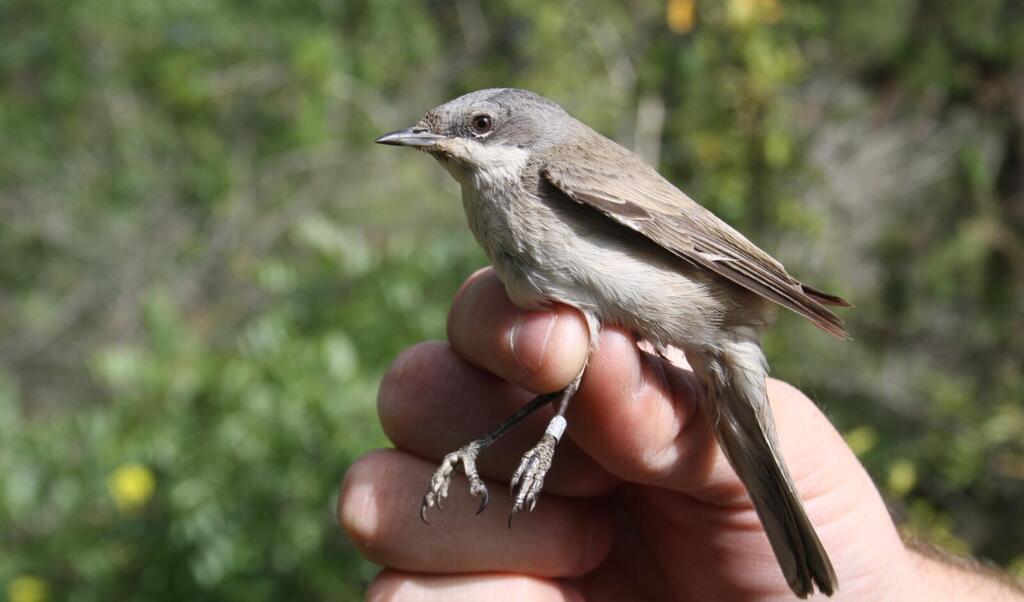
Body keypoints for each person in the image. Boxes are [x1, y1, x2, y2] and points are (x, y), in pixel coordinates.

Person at [338, 268, 1024, 601]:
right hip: (644, 395)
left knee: (574, 351)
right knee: (561, 352)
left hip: (704, 318)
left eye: (479, 129)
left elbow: (671, 241)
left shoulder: (558, 170)